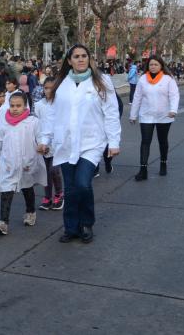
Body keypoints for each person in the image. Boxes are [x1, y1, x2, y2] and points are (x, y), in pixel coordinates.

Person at [38, 44, 121, 244]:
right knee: (70, 188)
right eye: (76, 56)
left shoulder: (102, 82)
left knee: (83, 184)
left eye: (84, 56)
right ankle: (71, 227)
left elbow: (111, 113)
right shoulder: (61, 84)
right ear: (69, 61)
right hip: (65, 142)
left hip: (91, 142)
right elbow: (51, 114)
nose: (81, 59)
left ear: (89, 58)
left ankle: (86, 223)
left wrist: (114, 141)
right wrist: (44, 139)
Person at [0, 93, 47, 235]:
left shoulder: (32, 122)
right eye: (12, 105)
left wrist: (42, 144)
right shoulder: (3, 122)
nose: (15, 109)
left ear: (25, 106)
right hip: (8, 163)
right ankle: (3, 222)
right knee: (6, 190)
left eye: (18, 106)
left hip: (26, 163)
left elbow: (41, 136)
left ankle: (30, 212)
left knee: (27, 187)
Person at [130, 56, 179, 180]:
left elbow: (174, 96)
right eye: (151, 64)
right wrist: (133, 115)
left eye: (156, 64)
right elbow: (137, 98)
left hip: (164, 115)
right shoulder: (142, 79)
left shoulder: (168, 79)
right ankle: (143, 169)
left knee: (162, 141)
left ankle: (163, 163)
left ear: (161, 66)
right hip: (146, 115)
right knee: (145, 142)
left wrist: (173, 110)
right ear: (148, 66)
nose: (153, 67)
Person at [35, 77, 64, 211]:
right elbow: (39, 124)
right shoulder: (39, 105)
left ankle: (59, 194)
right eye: (46, 88)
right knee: (45, 172)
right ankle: (47, 197)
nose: (48, 91)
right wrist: (41, 142)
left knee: (54, 170)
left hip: (57, 143)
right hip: (44, 142)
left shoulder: (60, 104)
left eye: (52, 88)